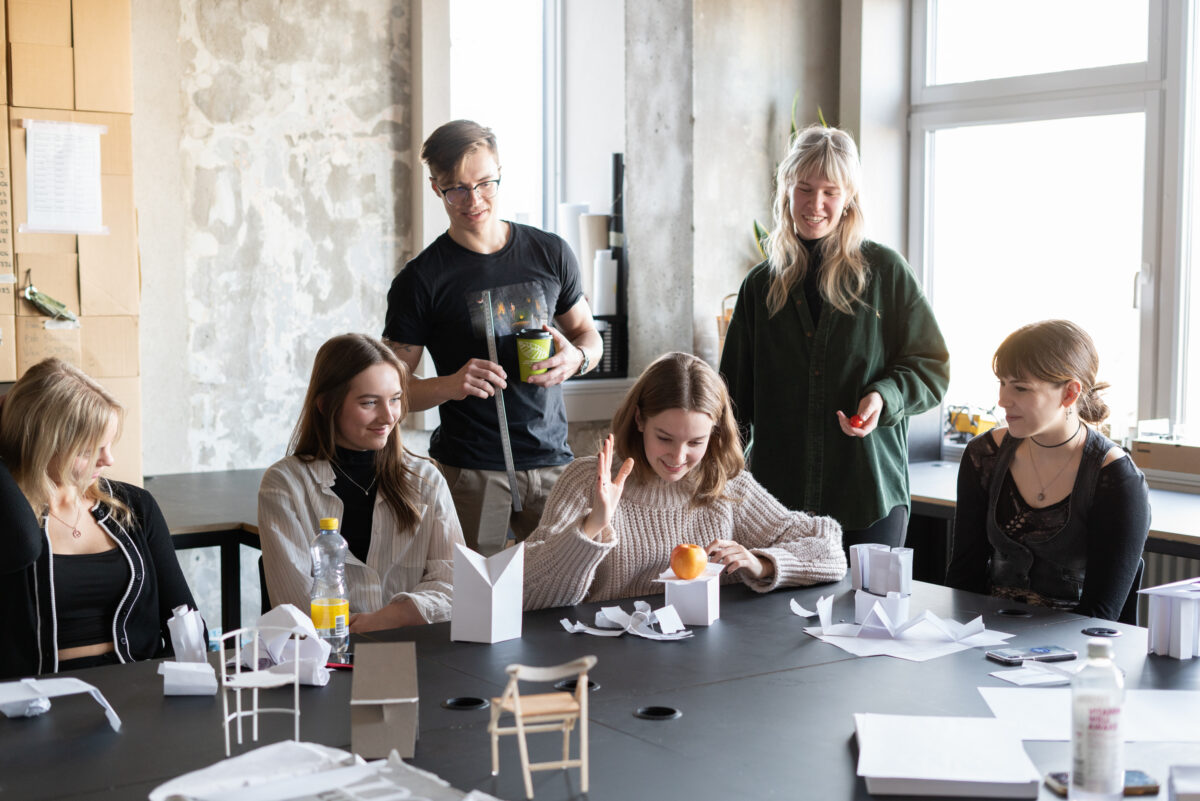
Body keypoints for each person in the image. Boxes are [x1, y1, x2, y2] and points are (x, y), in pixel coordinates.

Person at [719, 124, 950, 550]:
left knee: (867, 599)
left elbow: (931, 368)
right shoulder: (759, 287)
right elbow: (731, 402)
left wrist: (883, 397)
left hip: (867, 497)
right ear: (787, 190)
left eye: (830, 192)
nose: (815, 204)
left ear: (849, 199)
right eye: (805, 189)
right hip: (776, 505)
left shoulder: (886, 272)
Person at [383, 119, 603, 557]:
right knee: (470, 590)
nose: (474, 200)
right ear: (436, 188)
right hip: (471, 473)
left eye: (485, 183)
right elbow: (390, 391)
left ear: (500, 172)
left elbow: (587, 334)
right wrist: (451, 385)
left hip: (553, 462)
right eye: (457, 189)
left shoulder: (551, 252)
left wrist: (576, 358)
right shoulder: (420, 280)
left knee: (562, 584)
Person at [523, 352, 846, 610]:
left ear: (714, 433)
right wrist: (592, 526)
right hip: (613, 655)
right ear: (639, 420)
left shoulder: (726, 484)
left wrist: (761, 564)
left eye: (695, 442)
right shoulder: (587, 481)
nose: (678, 457)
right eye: (664, 438)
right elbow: (529, 593)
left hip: (713, 654)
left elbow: (829, 551)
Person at [0, 358, 197, 679]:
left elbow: (186, 622)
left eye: (108, 445)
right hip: (38, 696)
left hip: (138, 688)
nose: (108, 459)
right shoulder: (9, 515)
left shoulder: (135, 506)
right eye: (88, 450)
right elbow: (22, 541)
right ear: (41, 445)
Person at [946, 320, 1150, 623]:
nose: (1002, 400)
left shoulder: (1115, 477)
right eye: (1002, 383)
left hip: (1073, 645)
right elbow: (964, 579)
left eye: (1021, 388)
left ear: (1069, 394)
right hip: (986, 636)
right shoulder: (984, 455)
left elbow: (1100, 614)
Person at [258, 334, 464, 632]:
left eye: (395, 399)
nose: (388, 416)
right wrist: (361, 630)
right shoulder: (284, 485)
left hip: (414, 650)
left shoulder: (426, 480)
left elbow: (454, 585)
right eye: (369, 403)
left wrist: (392, 616)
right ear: (326, 404)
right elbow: (295, 605)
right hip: (326, 654)